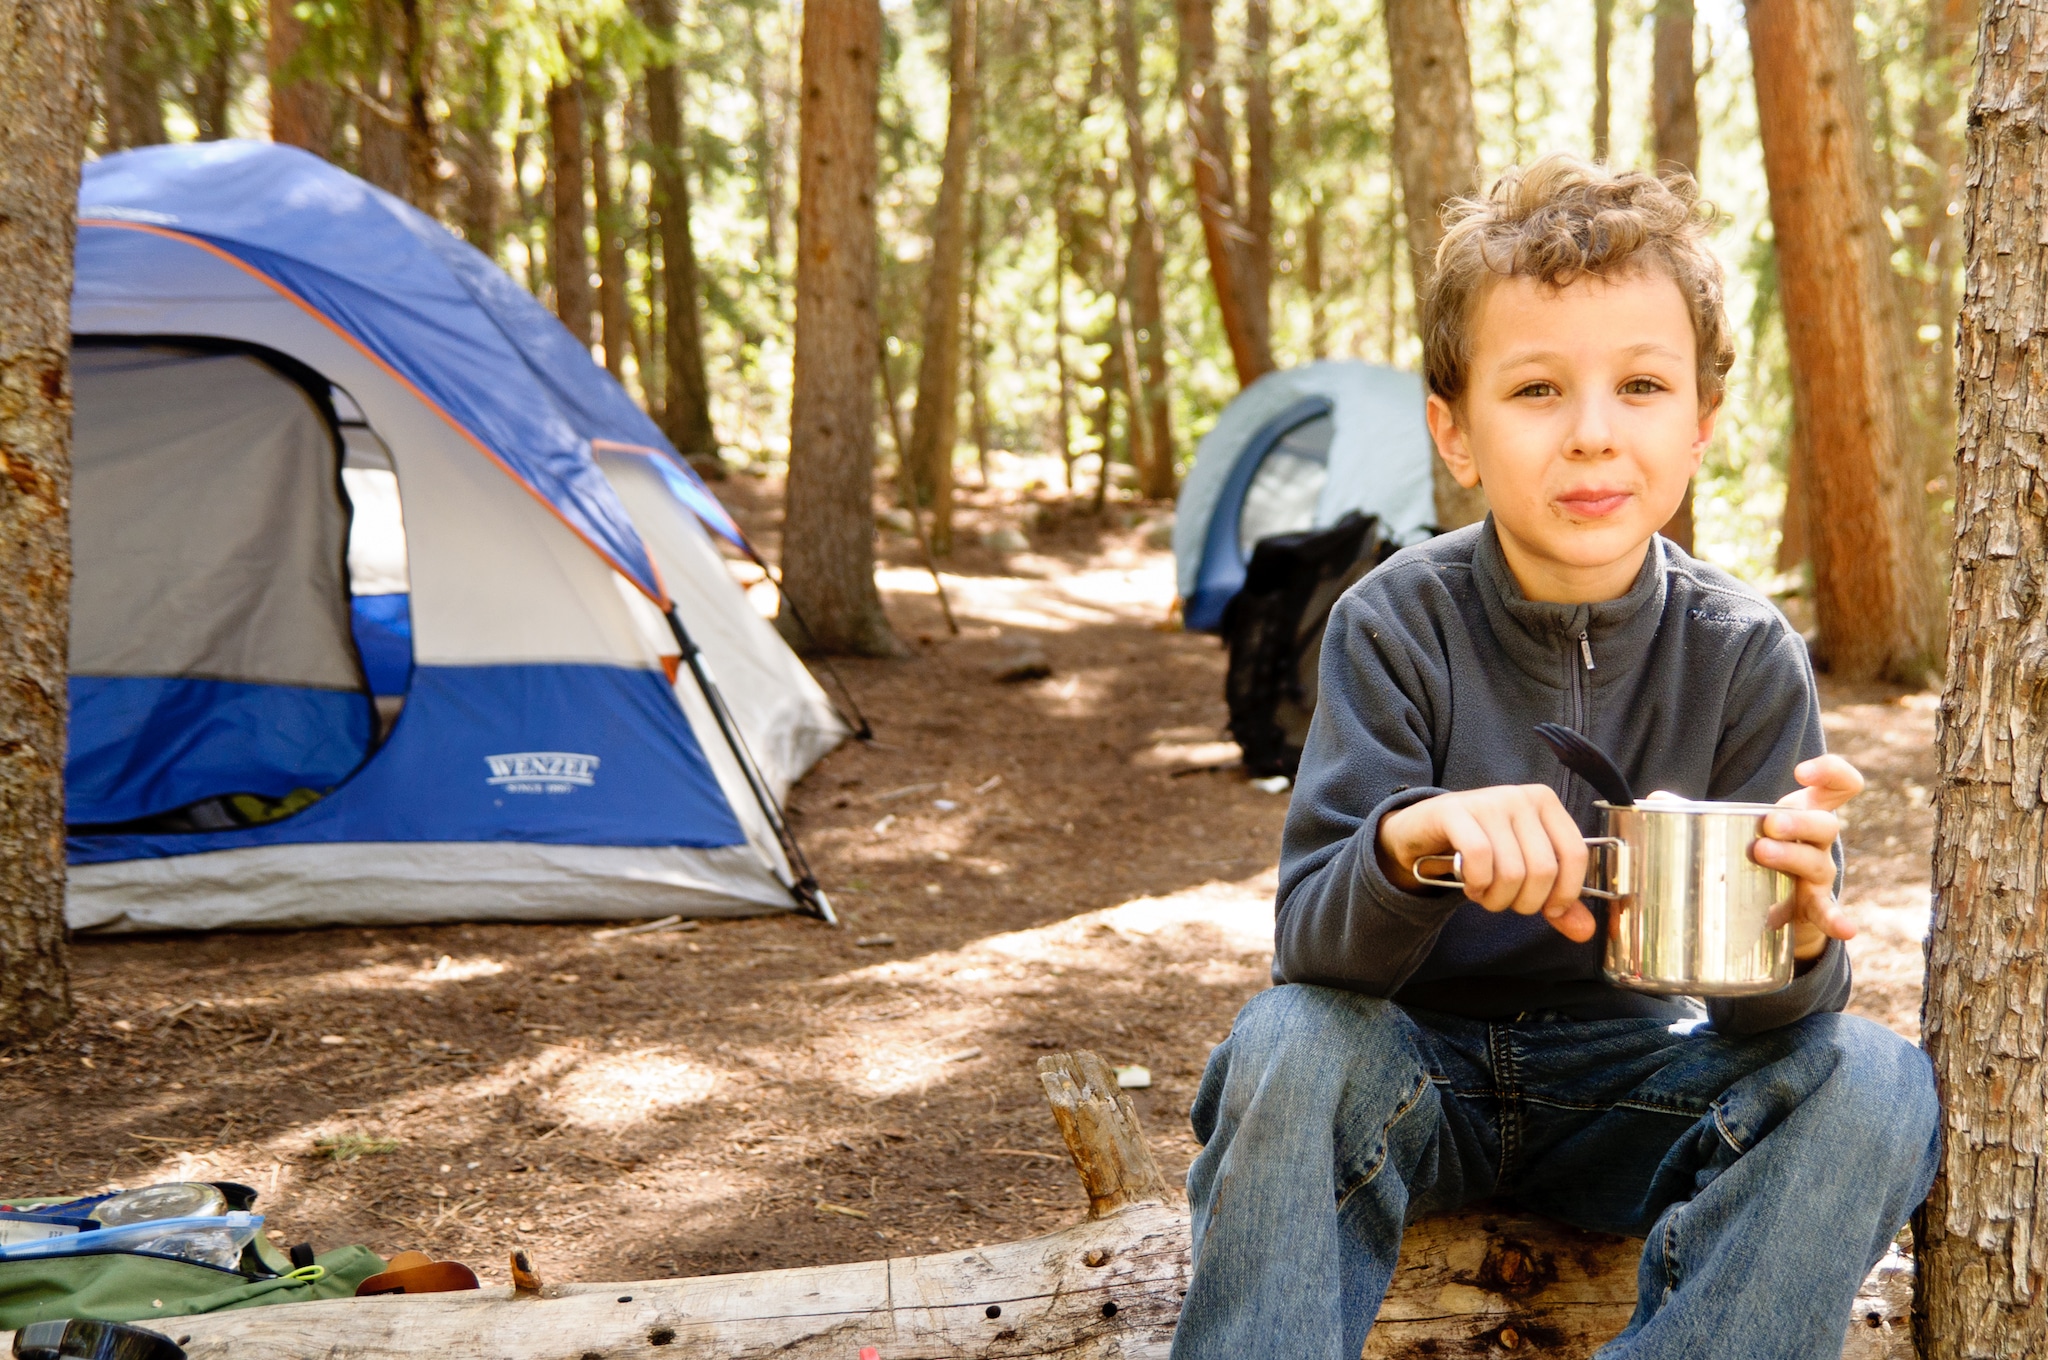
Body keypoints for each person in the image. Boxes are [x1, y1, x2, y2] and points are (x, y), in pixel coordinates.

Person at [1171, 156, 1939, 1360]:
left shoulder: (1744, 654)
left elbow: (1772, 1025)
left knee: (1876, 1078)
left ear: (1698, 426)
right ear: (1455, 431)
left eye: (1638, 385)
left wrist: (1794, 935)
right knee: (1286, 1041)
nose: (1590, 434)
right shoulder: (1389, 622)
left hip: (1637, 1072)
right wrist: (1413, 838)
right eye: (1535, 389)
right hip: (1407, 1071)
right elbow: (1309, 943)